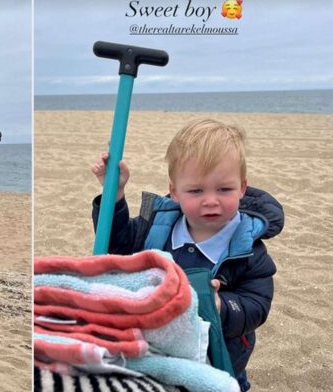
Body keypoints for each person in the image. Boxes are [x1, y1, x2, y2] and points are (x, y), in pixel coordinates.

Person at [90, 119, 283, 391]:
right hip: (159, 355)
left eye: (224, 189)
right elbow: (115, 245)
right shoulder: (156, 229)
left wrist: (223, 307)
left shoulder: (247, 249)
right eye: (195, 191)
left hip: (220, 363)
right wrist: (115, 194)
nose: (211, 200)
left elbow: (257, 304)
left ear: (242, 187)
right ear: (174, 192)